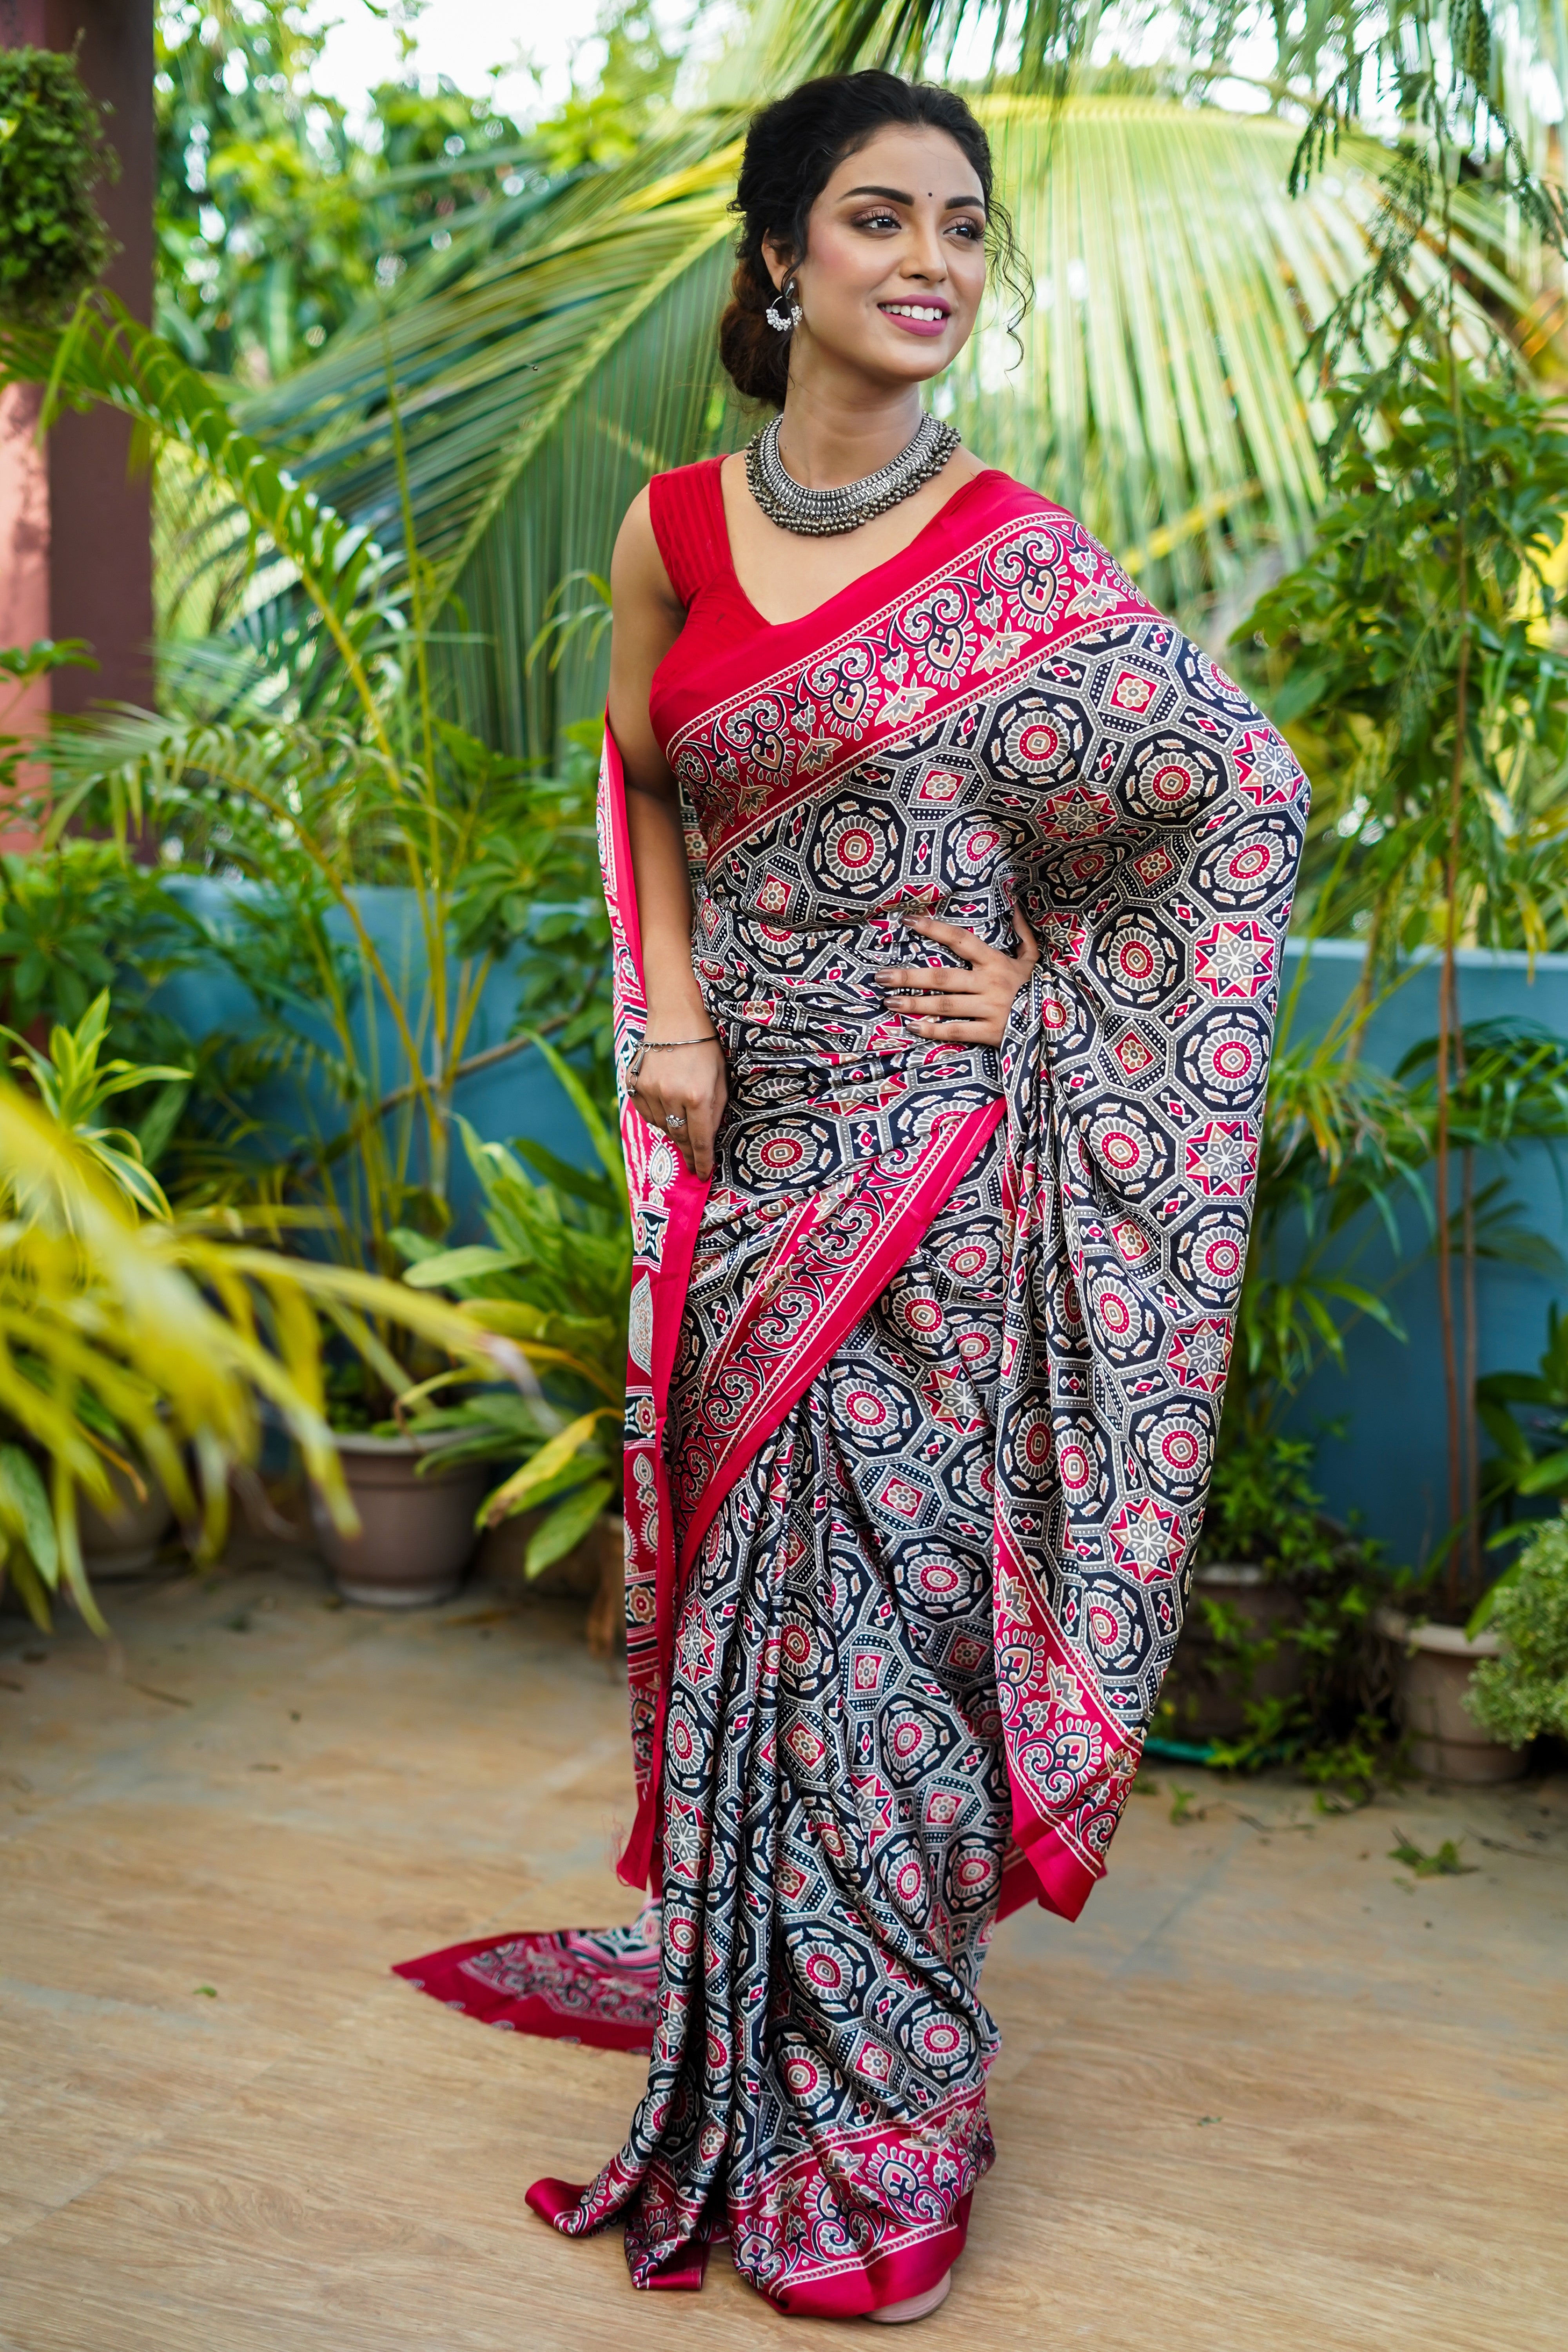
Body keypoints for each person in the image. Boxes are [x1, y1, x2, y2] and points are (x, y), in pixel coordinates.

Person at [397, 66, 1307, 2322]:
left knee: (895, 1640)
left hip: (935, 1165)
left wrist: (1061, 994)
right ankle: (751, 2038)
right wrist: (674, 1026)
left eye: (967, 228)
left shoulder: (1017, 552)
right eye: (882, 217)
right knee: (750, 1628)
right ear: (779, 256)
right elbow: (641, 783)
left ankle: (897, 2107)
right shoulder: (671, 532)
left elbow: (1235, 804)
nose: (931, 260)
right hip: (749, 1162)